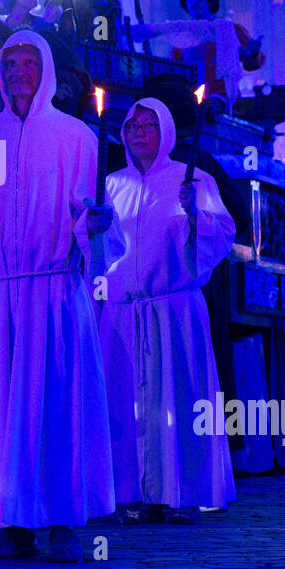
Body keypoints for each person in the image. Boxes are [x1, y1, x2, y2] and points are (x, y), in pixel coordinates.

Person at [0, 30, 114, 562]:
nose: (17, 73)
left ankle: (61, 523)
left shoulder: (77, 137)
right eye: (9, 64)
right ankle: (13, 523)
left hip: (52, 292)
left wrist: (96, 226)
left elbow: (85, 214)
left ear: (47, 70)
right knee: (1, 413)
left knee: (56, 408)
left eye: (27, 63)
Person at [98, 99, 237, 525]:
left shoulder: (192, 180)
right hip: (124, 312)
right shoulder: (111, 185)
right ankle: (138, 492)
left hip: (174, 311)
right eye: (133, 125)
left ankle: (183, 492)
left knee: (178, 400)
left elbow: (222, 235)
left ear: (167, 132)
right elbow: (98, 250)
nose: (139, 132)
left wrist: (196, 215)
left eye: (149, 125)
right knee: (129, 405)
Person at [131, 0, 265, 109]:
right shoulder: (182, 34)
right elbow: (174, 67)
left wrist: (253, 53)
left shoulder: (229, 30)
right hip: (188, 98)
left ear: (210, 2)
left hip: (220, 95)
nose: (194, 2)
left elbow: (253, 63)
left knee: (207, 111)